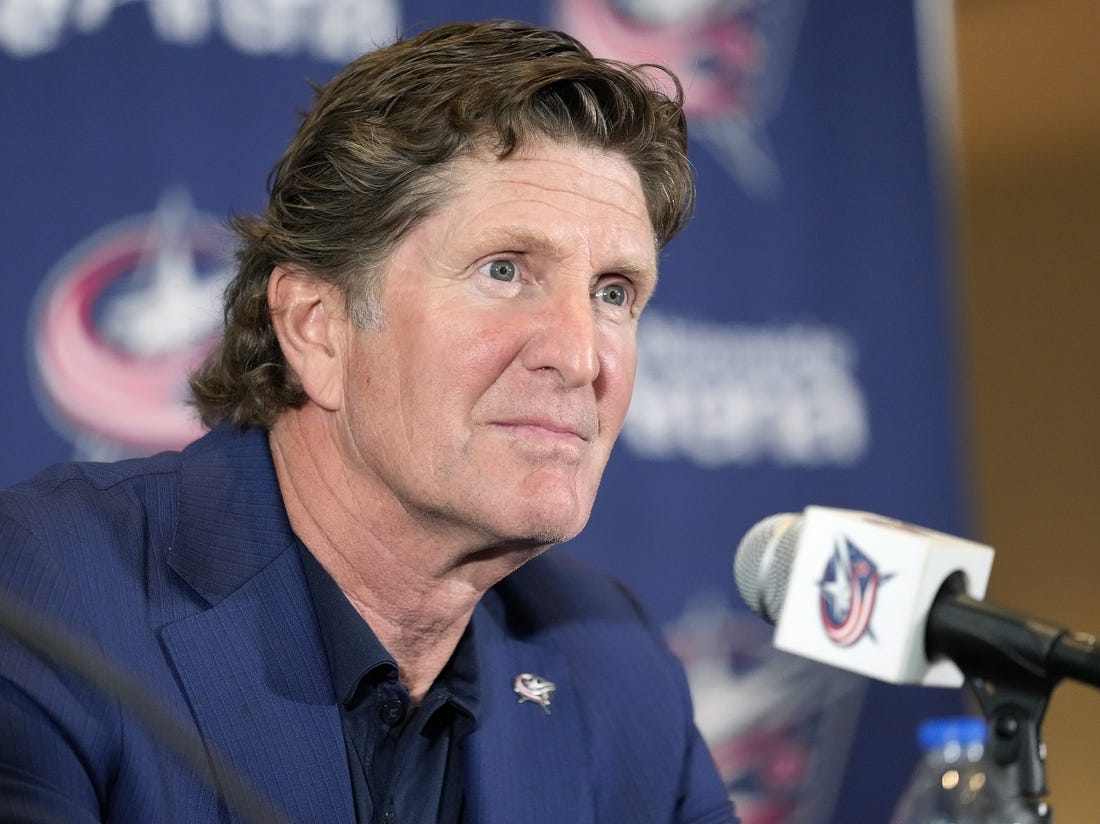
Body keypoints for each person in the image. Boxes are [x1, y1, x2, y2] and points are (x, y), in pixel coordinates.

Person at [0, 19, 737, 824]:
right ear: (317, 325)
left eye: (614, 293)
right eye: (504, 270)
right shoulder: (51, 598)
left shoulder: (615, 670)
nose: (582, 355)